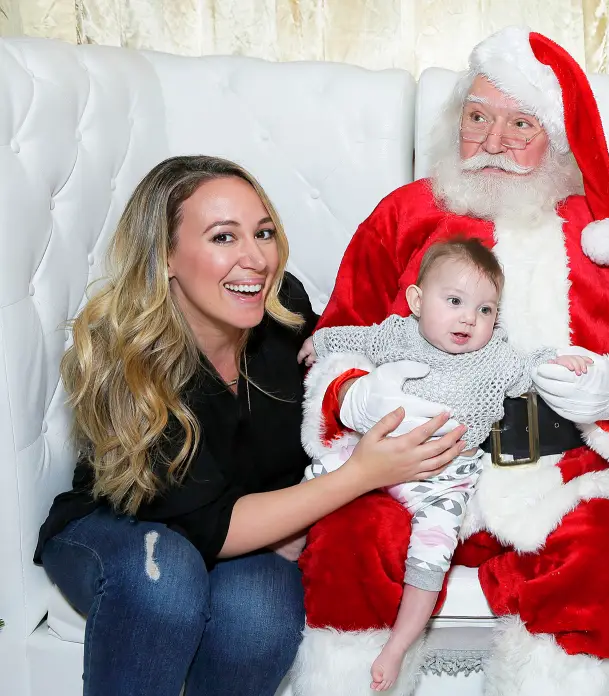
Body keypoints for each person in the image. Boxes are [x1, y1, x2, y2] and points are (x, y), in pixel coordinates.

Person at [291, 26, 609, 696]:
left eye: (520, 123)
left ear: (556, 139)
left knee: (605, 555)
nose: (493, 141)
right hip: (411, 467)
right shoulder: (403, 215)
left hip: (558, 478)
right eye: (477, 118)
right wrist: (354, 395)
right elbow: (341, 333)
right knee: (350, 539)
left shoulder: (600, 239)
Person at [32, 155, 467, 696]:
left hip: (257, 533)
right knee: (166, 578)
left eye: (263, 233)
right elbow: (211, 525)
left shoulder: (283, 312)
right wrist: (359, 475)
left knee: (260, 613)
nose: (256, 259)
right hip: (122, 528)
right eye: (223, 237)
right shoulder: (131, 359)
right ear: (165, 255)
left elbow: (344, 389)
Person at [299, 236, 590, 691]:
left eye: (485, 309)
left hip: (444, 478)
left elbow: (530, 367)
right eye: (454, 301)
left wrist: (560, 360)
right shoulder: (398, 334)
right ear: (417, 301)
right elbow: (355, 337)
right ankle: (286, 548)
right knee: (319, 477)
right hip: (379, 457)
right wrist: (319, 341)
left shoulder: (494, 357)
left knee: (432, 553)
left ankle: (399, 643)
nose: (469, 318)